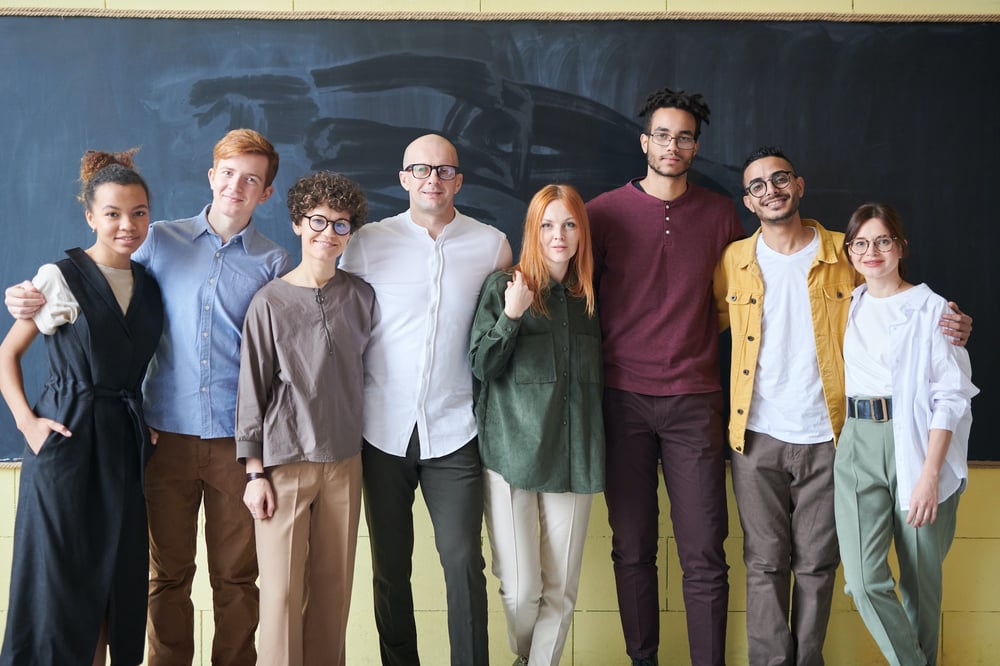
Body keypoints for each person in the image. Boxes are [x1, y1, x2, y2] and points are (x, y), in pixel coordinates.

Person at [4, 128, 290, 665]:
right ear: (211, 176)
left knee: (235, 577)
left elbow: (272, 362)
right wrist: (24, 295)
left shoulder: (273, 263)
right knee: (165, 575)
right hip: (162, 439)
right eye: (228, 173)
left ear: (266, 192)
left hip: (232, 439)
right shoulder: (158, 239)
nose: (236, 186)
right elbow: (89, 286)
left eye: (251, 179)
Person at [712, 147, 972, 666]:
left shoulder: (843, 253)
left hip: (830, 434)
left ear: (799, 185)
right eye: (758, 185)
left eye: (780, 178)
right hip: (756, 432)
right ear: (748, 199)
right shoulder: (734, 261)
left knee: (817, 566)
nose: (771, 190)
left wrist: (955, 324)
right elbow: (701, 322)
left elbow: (895, 301)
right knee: (764, 563)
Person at [338, 133, 512, 666]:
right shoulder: (366, 241)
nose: (431, 179)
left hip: (456, 428)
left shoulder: (492, 244)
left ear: (458, 180)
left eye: (443, 171)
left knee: (463, 560)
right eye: (420, 169)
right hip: (380, 429)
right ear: (404, 179)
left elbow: (503, 331)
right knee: (390, 566)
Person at [585, 87, 741, 666]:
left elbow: (743, 299)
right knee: (632, 549)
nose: (672, 145)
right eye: (662, 134)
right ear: (644, 141)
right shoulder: (601, 214)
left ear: (695, 148)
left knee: (705, 552)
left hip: (696, 400)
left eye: (684, 137)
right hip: (620, 399)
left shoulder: (722, 214)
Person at [0, 149, 163, 665]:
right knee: (63, 583)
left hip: (124, 447)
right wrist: (28, 424)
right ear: (90, 216)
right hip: (66, 443)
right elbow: (8, 354)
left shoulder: (151, 284)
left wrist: (146, 419)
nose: (127, 225)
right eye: (112, 213)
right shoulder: (59, 275)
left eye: (138, 213)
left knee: (116, 579)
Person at [235, 172, 375, 666]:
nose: (328, 232)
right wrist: (253, 473)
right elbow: (251, 391)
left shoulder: (362, 296)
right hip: (283, 463)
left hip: (345, 462)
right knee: (280, 598)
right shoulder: (269, 302)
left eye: (341, 224)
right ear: (298, 223)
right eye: (318, 220)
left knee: (334, 595)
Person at [834, 203, 977, 666]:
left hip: (914, 444)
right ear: (849, 251)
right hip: (857, 441)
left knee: (920, 580)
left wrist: (929, 475)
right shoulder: (846, 304)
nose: (871, 251)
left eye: (882, 241)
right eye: (860, 243)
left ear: (900, 247)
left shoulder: (934, 310)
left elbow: (951, 397)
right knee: (861, 580)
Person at [469, 184, 604, 666]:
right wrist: (511, 315)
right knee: (523, 590)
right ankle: (525, 657)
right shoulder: (504, 286)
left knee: (561, 590)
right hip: (512, 457)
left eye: (569, 224)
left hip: (573, 460)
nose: (558, 235)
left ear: (581, 232)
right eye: (547, 224)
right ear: (532, 230)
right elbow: (482, 367)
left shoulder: (589, 298)